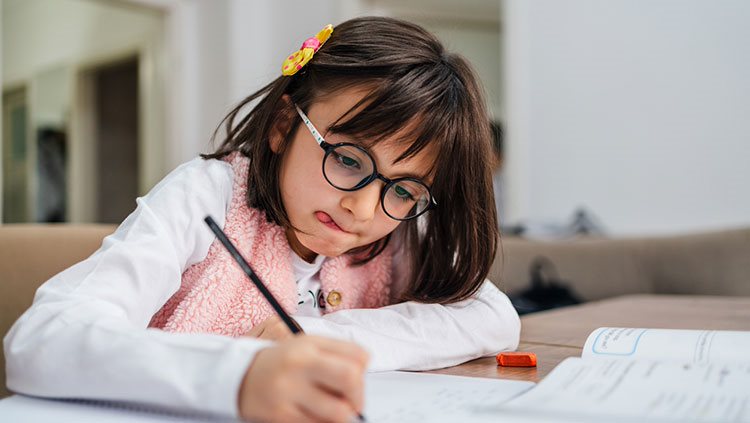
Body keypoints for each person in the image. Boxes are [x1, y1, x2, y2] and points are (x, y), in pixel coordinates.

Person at [4, 17, 520, 423]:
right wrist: (240, 374)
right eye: (347, 159)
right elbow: (41, 340)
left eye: (405, 188)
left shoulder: (393, 230)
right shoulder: (207, 196)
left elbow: (493, 318)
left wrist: (321, 339)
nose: (362, 208)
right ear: (280, 126)